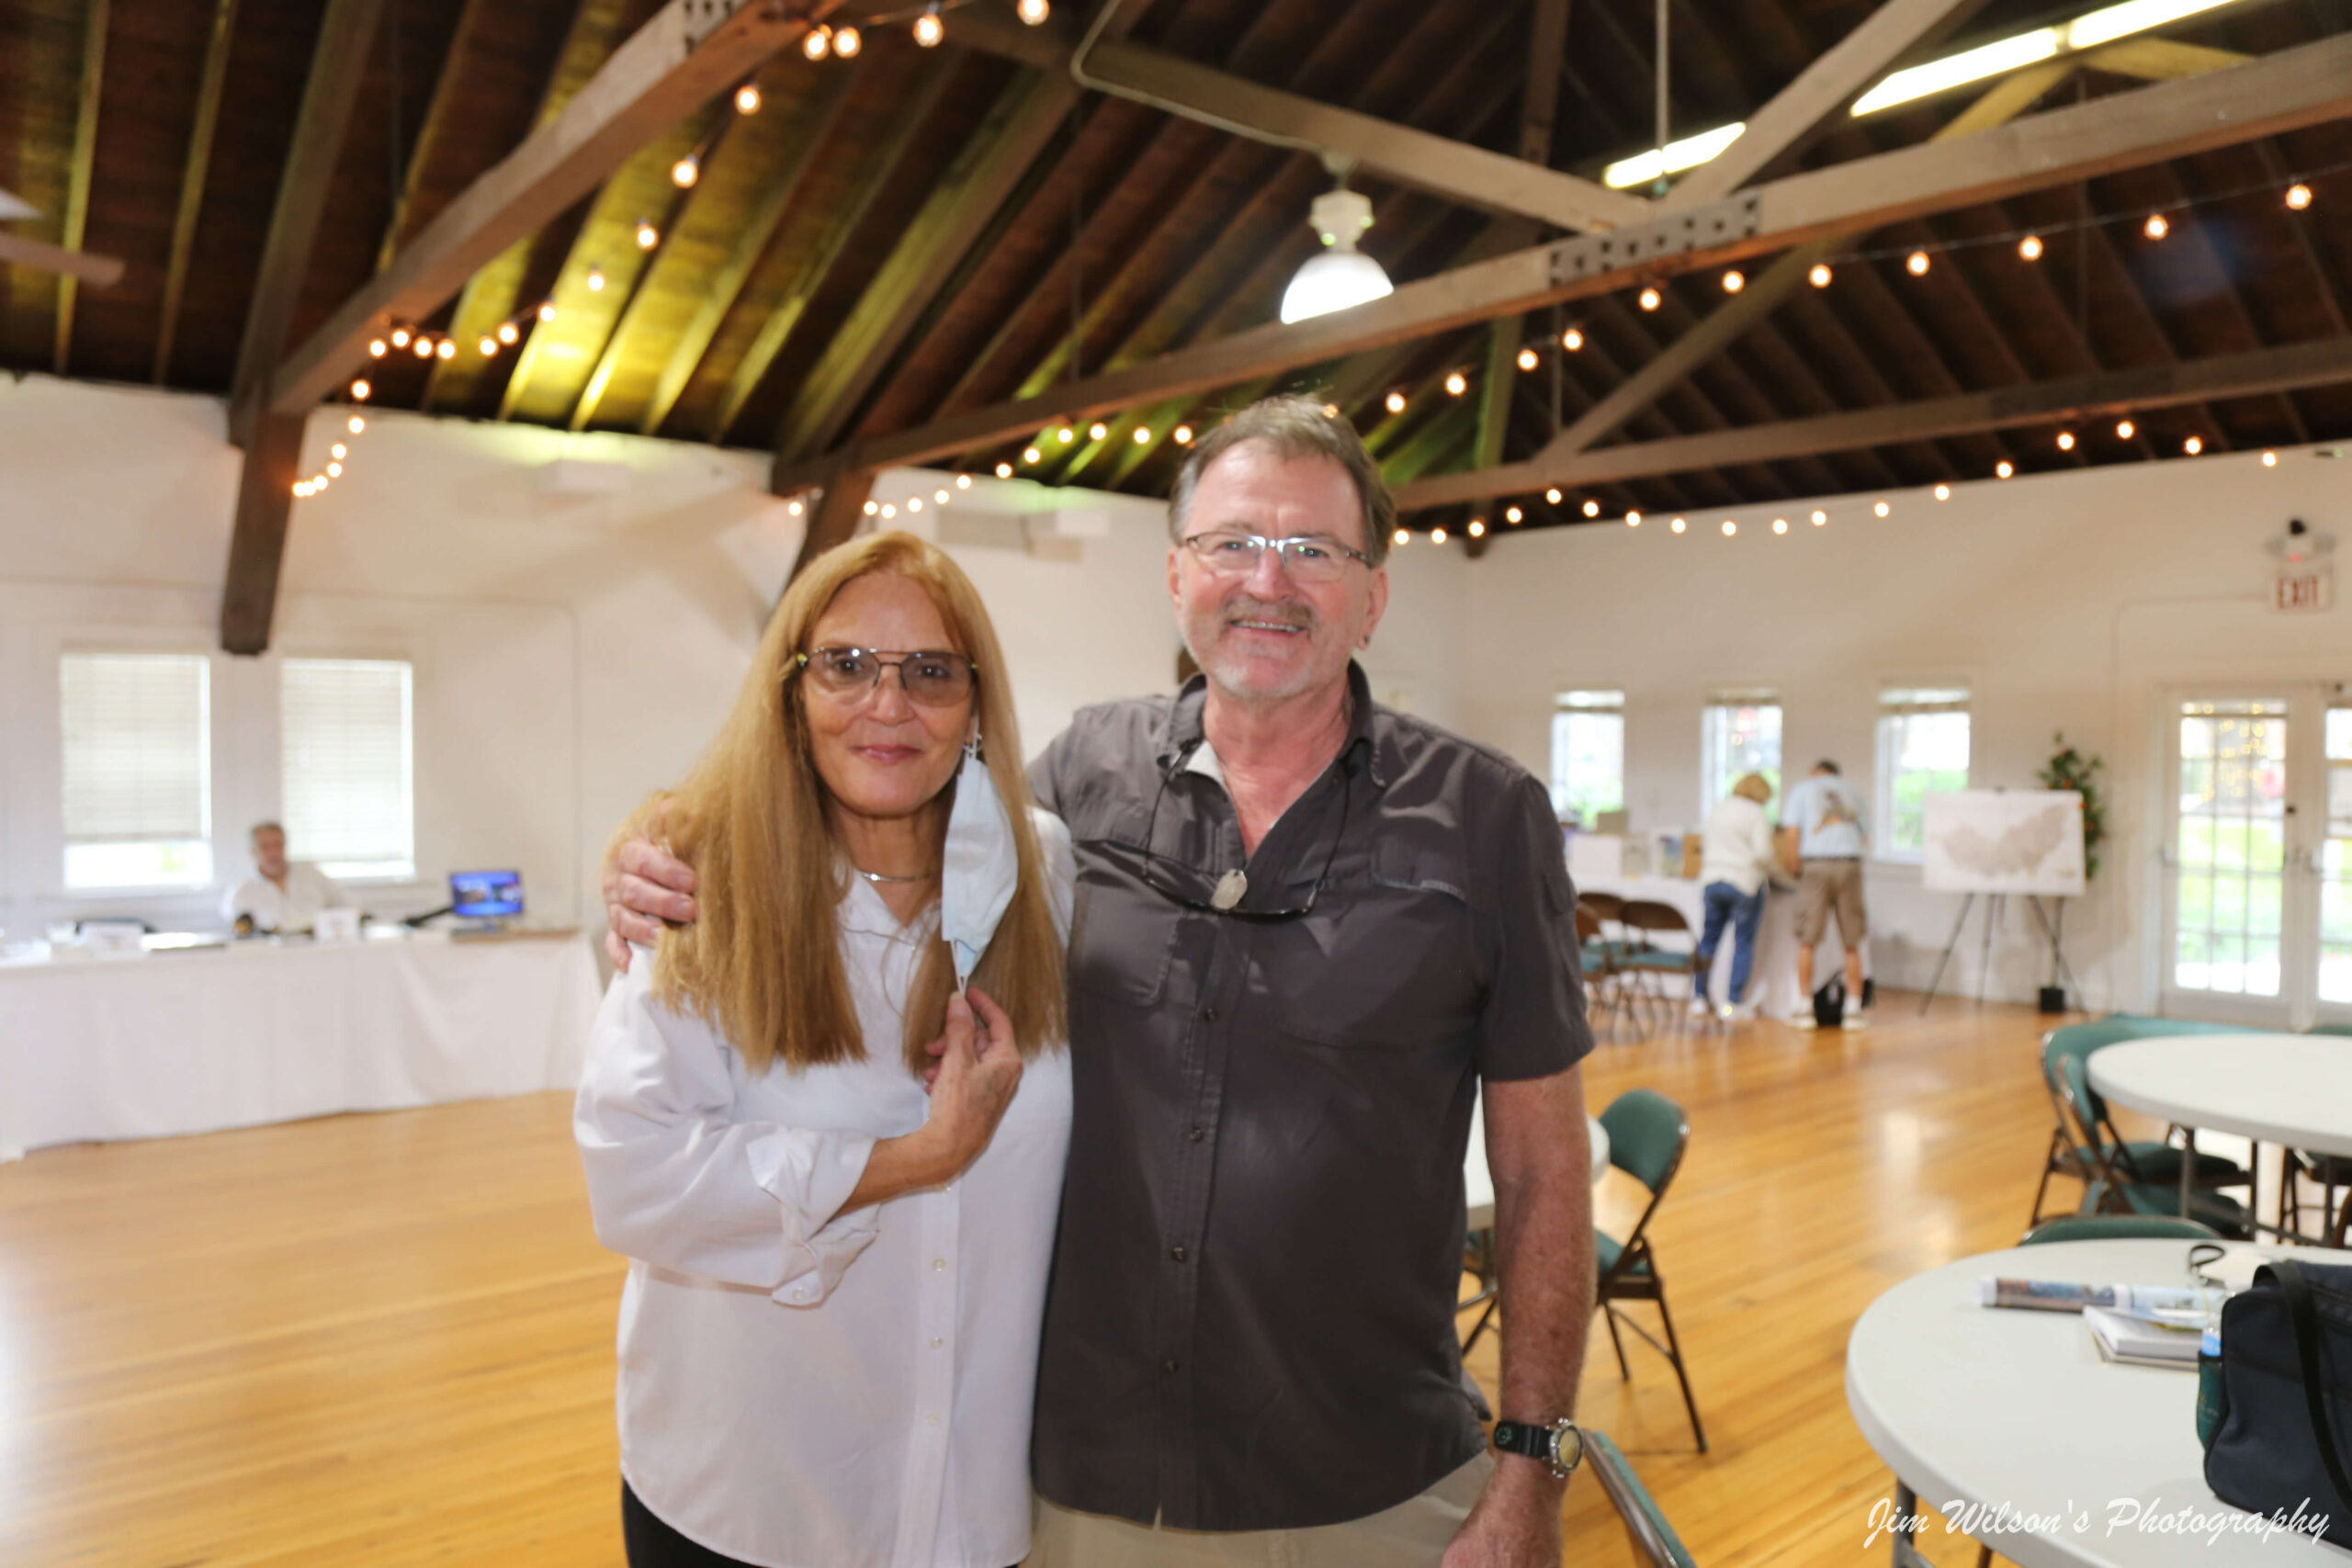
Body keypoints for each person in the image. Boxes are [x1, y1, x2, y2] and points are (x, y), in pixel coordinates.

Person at [608, 395, 1598, 1568]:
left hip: (1367, 1476)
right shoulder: (1081, 781)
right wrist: (656, 852)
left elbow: (1543, 1167)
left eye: (1312, 550)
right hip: (1087, 1489)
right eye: (1231, 542)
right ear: (1177, 577)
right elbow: (877, 809)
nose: (1266, 581)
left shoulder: (1486, 817)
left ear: (1373, 596)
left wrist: (1532, 1463)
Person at [574, 533, 1074, 1568]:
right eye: (845, 665)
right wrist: (917, 1158)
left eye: (930, 672)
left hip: (973, 1500)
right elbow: (634, 1175)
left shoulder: (1044, 870)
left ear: (976, 704)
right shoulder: (702, 877)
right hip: (755, 1495)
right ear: (791, 692)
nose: (887, 705)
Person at [1780, 757, 1871, 1029]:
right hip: (1850, 865)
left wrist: (1795, 868)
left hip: (1816, 864)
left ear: (1816, 773)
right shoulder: (1854, 791)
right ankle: (1853, 1009)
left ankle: (1805, 1008)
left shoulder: (1803, 789)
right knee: (1852, 940)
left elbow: (1791, 834)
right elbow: (1864, 836)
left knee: (1807, 939)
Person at [1689, 772, 1777, 1023]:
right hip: (1743, 881)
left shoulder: (1719, 809)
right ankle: (1732, 1003)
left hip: (1712, 879)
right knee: (1743, 943)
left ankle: (1699, 998)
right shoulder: (1756, 814)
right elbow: (1763, 853)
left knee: (1708, 940)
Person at [220, 821, 349, 934]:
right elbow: (236, 931)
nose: (273, 853)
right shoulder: (242, 891)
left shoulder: (313, 875)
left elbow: (345, 909)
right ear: (253, 851)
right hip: (268, 951)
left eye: (278, 845)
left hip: (319, 946)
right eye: (265, 846)